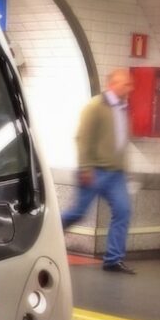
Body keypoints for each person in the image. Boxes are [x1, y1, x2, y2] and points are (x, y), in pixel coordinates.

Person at [62, 68, 137, 274]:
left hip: (116, 174)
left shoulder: (124, 109)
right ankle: (50, 233)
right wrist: (85, 167)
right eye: (125, 84)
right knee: (78, 213)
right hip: (94, 171)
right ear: (112, 84)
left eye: (130, 84)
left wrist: (126, 170)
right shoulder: (95, 106)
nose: (129, 87)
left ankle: (113, 260)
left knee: (123, 211)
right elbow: (82, 138)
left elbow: (122, 143)